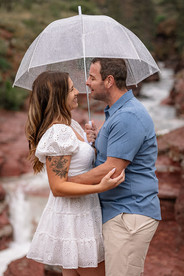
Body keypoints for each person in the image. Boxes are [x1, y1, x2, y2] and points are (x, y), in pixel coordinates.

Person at [25, 71, 125, 276]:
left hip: (82, 212)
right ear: (58, 96)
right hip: (74, 217)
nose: (78, 92)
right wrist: (100, 187)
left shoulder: (70, 125)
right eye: (71, 88)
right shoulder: (59, 132)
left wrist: (89, 141)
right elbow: (58, 187)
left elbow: (76, 161)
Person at [69, 58, 162, 276]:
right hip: (117, 212)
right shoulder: (117, 114)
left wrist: (66, 183)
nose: (87, 82)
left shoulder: (127, 116)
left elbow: (111, 169)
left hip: (128, 214)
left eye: (92, 77)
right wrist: (95, 141)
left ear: (109, 81)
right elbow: (109, 158)